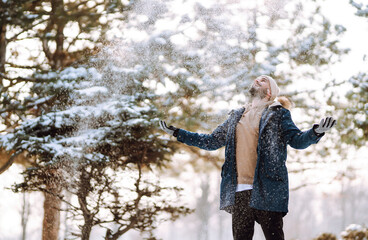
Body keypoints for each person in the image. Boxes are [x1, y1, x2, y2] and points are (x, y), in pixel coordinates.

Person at [159, 75, 336, 240]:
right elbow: (211, 141)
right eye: (256, 79)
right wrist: (178, 133)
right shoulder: (236, 116)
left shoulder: (278, 114)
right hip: (239, 191)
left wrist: (316, 132)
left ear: (270, 92)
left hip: (267, 189)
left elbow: (297, 140)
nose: (258, 80)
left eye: (263, 80)